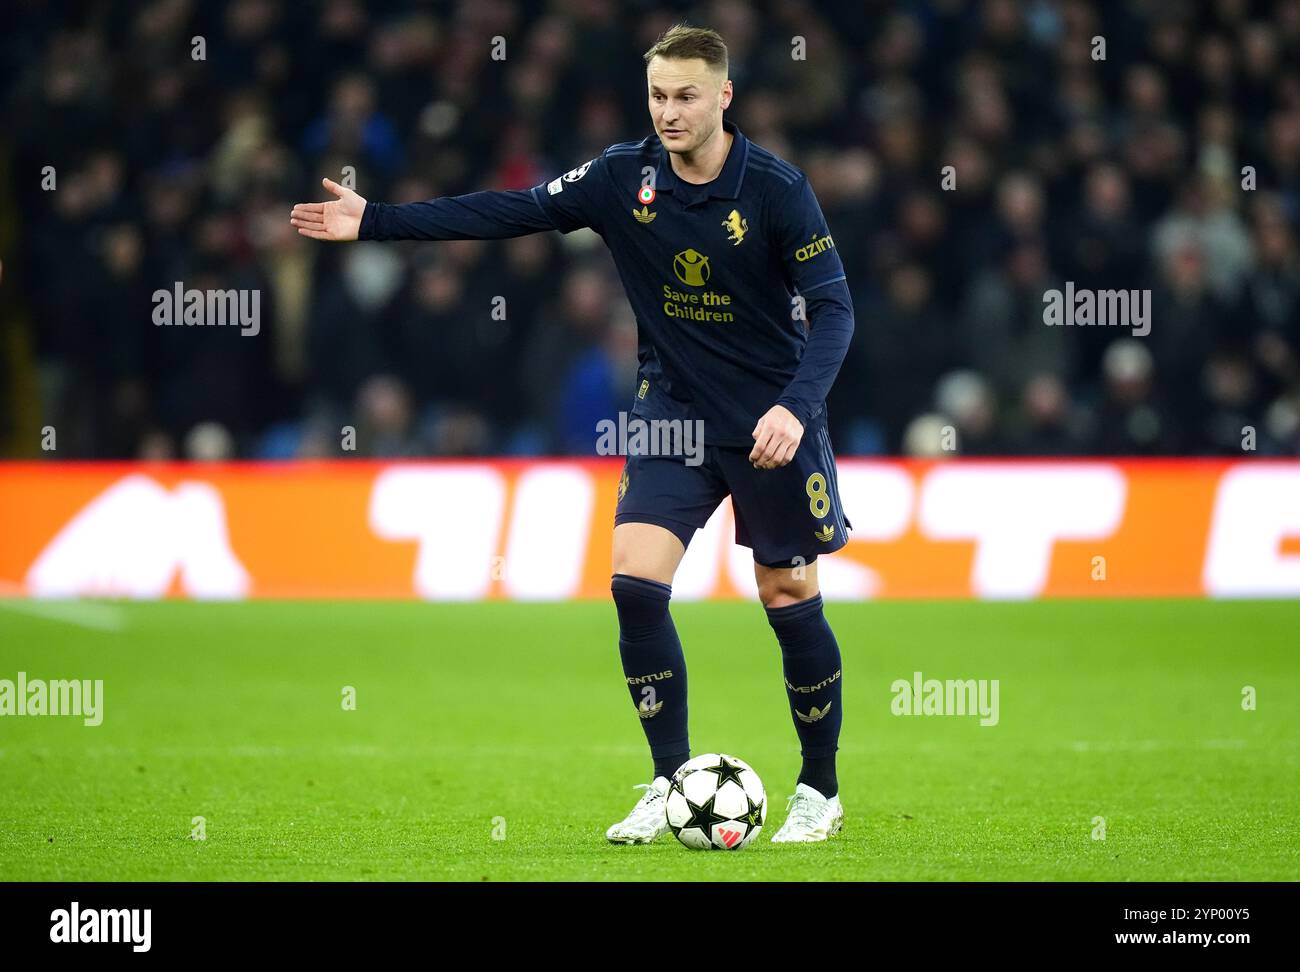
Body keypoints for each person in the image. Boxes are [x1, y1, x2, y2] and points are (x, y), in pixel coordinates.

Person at [290, 23, 856, 844]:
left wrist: (793, 408)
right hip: (674, 414)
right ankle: (668, 781)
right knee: (634, 581)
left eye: (687, 96)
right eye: (658, 95)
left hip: (772, 416)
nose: (669, 111)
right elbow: (512, 211)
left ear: (724, 97)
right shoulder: (624, 175)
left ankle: (820, 789)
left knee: (788, 595)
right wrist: (375, 220)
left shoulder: (775, 189)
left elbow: (835, 311)